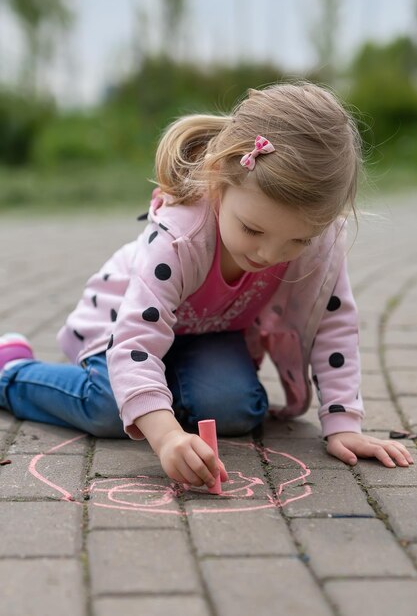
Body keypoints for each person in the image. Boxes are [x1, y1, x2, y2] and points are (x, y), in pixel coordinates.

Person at [0, 82, 413, 490]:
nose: (269, 254)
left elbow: (333, 325)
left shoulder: (319, 245)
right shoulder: (181, 237)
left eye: (297, 241)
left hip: (206, 335)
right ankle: (14, 371)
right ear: (219, 180)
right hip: (120, 329)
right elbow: (136, 340)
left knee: (237, 410)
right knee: (111, 411)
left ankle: (155, 391)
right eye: (252, 229)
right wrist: (165, 436)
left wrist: (343, 423)